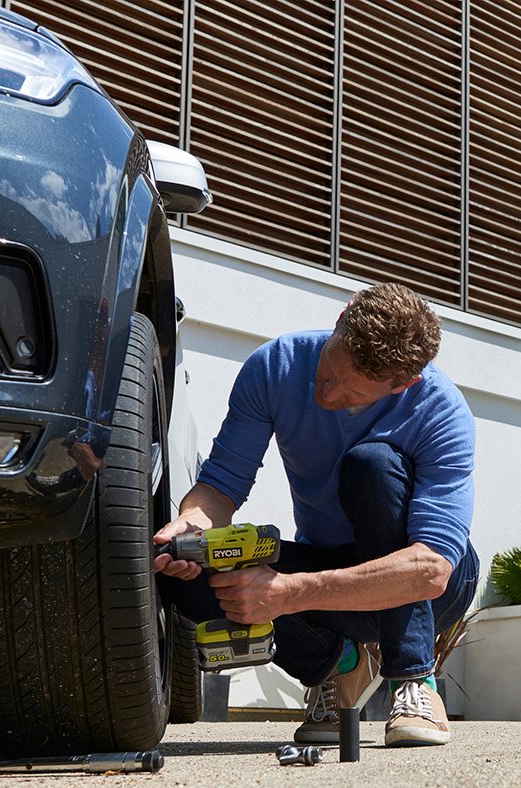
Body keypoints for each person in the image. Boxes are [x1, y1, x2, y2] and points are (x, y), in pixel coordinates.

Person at [154, 283, 479, 748]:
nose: (327, 390)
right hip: (331, 570)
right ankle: (339, 666)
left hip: (430, 587)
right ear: (342, 317)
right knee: (185, 572)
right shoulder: (275, 366)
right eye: (331, 368)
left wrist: (286, 594)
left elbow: (430, 571)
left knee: (373, 466)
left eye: (352, 392)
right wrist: (190, 528)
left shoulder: (441, 412)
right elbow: (222, 484)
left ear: (401, 385)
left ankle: (413, 678)